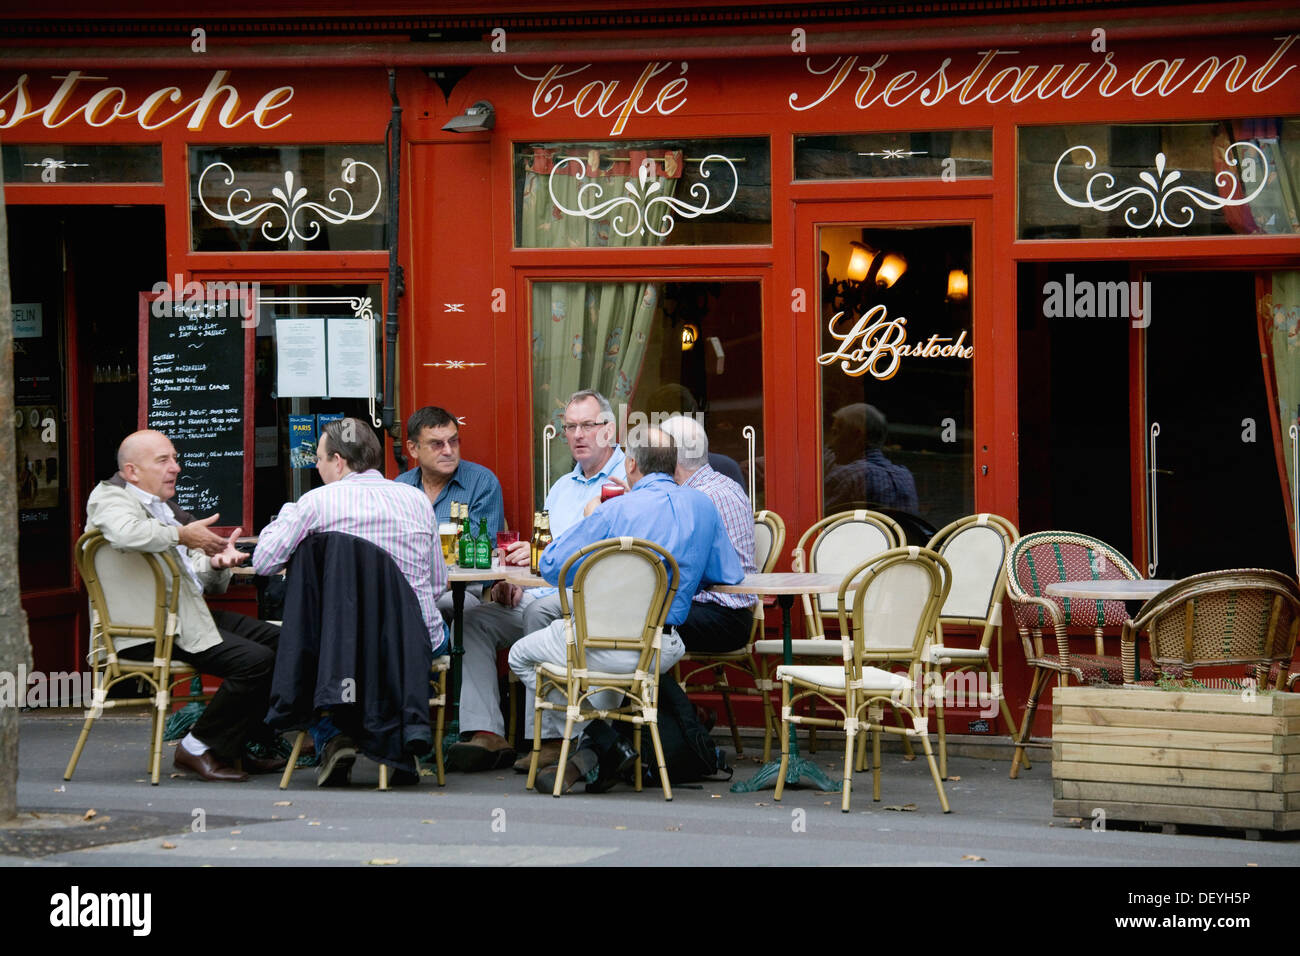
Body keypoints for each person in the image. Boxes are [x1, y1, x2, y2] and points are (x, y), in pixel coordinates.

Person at [508, 424, 744, 792]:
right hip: (660, 647)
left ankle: (599, 737)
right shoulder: (703, 505)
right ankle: (598, 748)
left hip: (600, 643)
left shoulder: (613, 511)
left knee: (520, 657)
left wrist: (590, 520)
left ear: (631, 464)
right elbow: (726, 572)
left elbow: (552, 565)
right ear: (671, 464)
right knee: (607, 682)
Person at [253, 417, 446, 786]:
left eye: (320, 460)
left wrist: (288, 515)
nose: (318, 467)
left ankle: (333, 735)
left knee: (324, 647)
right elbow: (437, 585)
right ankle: (398, 734)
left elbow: (264, 562)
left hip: (339, 650)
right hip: (412, 643)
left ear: (338, 461)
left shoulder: (315, 504)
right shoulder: (417, 499)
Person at [85, 430, 282, 783]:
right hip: (144, 630)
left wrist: (218, 563)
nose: (175, 467)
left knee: (285, 644)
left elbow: (195, 577)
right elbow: (126, 534)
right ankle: (197, 745)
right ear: (132, 471)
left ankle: (233, 745)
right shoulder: (109, 498)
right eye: (163, 460)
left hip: (184, 618)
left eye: (175, 459)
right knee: (255, 662)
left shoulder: (167, 510)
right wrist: (182, 535)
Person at [445, 388, 626, 772]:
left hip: (592, 600)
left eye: (587, 426)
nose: (578, 435)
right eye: (570, 427)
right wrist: (517, 580)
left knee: (539, 613)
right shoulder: (563, 486)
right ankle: (487, 733)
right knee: (475, 618)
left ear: (609, 430)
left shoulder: (626, 481)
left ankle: (549, 739)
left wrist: (541, 562)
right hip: (545, 592)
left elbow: (608, 554)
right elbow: (542, 552)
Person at [658, 415, 757, 653]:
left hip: (721, 615)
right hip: (728, 613)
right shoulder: (725, 484)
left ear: (669, 457)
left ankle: (666, 693)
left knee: (632, 626)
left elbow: (679, 570)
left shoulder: (696, 499)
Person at [395, 405, 505, 619]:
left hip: (460, 590)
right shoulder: (401, 488)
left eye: (453, 441)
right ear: (413, 448)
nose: (448, 450)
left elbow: (481, 550)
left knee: (439, 606)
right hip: (407, 588)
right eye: (437, 444)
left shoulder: (482, 482)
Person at [824, 403, 919, 514]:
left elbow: (818, 526)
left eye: (836, 433)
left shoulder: (848, 476)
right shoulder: (905, 475)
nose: (830, 444)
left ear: (857, 436)